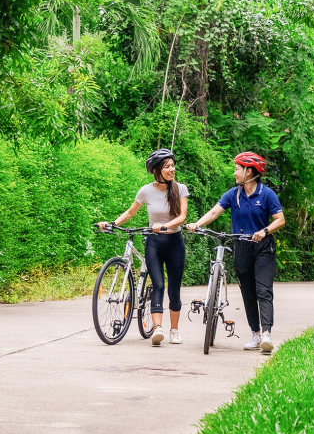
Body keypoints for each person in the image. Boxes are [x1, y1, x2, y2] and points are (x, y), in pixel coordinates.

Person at [187, 152, 285, 353]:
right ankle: (255, 335)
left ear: (249, 172)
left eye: (237, 169)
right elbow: (215, 212)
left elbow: (280, 219)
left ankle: (266, 334)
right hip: (241, 247)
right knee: (248, 293)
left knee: (263, 291)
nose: (235, 173)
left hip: (263, 247)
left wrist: (264, 231)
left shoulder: (267, 194)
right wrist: (197, 224)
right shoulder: (233, 194)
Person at [99, 149, 188, 346]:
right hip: (154, 243)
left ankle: (174, 330)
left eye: (173, 165)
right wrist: (113, 223)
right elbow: (130, 213)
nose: (172, 169)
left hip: (174, 242)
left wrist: (165, 226)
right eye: (167, 166)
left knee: (174, 289)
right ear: (157, 171)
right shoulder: (146, 190)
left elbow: (182, 217)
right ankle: (157, 329)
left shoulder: (180, 189)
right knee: (158, 284)